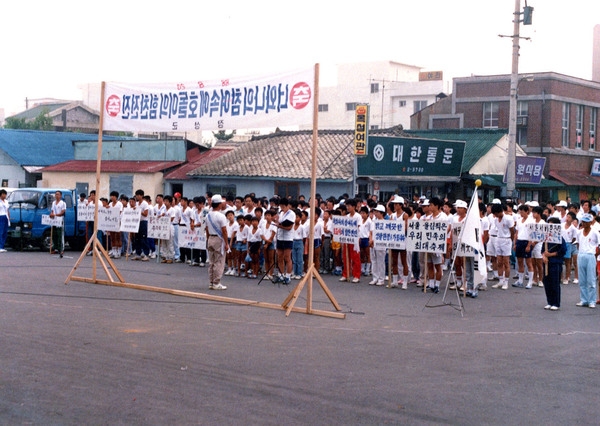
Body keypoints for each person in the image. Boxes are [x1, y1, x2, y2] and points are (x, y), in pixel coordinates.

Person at [542, 217, 567, 311]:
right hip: (547, 263)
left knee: (554, 282)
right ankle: (549, 301)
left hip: (556, 263)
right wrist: (544, 256)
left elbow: (563, 250)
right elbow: (543, 250)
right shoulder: (547, 238)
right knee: (546, 282)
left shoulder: (559, 238)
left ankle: (556, 303)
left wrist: (551, 254)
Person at [205, 194, 229, 290]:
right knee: (219, 261)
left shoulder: (207, 215)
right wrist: (227, 243)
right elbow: (224, 231)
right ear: (219, 204)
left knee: (211, 261)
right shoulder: (221, 216)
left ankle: (211, 281)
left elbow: (206, 229)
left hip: (210, 238)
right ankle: (216, 282)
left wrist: (207, 240)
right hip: (218, 239)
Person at [575, 213, 599, 308]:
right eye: (583, 221)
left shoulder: (595, 232)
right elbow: (577, 242)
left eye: (586, 222)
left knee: (591, 279)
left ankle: (592, 300)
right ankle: (584, 300)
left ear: (590, 222)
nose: (584, 223)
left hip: (590, 255)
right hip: (581, 254)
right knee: (582, 279)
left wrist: (595, 254)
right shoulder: (579, 232)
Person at [50, 190, 66, 257]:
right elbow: (52, 210)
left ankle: (61, 249)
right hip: (54, 221)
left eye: (58, 194)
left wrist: (55, 215)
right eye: (56, 194)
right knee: (54, 235)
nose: (57, 195)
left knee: (60, 235)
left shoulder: (63, 203)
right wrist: (51, 214)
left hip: (60, 220)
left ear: (60, 195)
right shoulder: (53, 203)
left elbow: (63, 212)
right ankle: (55, 247)